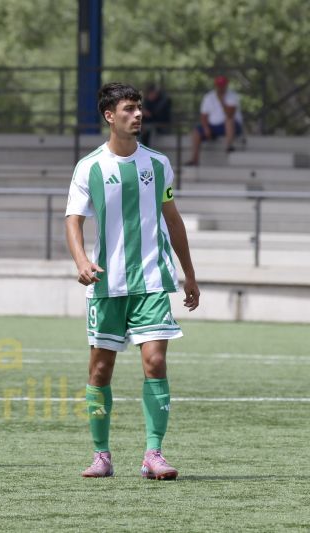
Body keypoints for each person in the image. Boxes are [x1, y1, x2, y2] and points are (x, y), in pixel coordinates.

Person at [65, 82, 200, 480]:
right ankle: (101, 455)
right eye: (128, 109)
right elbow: (73, 219)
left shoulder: (157, 163)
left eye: (139, 108)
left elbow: (172, 220)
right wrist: (81, 260)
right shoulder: (89, 166)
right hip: (107, 284)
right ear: (110, 115)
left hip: (153, 280)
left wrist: (189, 273)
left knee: (155, 362)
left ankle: (153, 453)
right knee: (100, 371)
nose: (137, 114)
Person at [186, 75, 243, 165]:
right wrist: (206, 128)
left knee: (229, 121)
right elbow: (204, 115)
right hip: (214, 126)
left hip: (231, 126)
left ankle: (229, 146)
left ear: (226, 85)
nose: (220, 88)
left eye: (222, 85)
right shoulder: (208, 97)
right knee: (196, 131)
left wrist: (222, 101)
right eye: (219, 85)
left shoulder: (232, 96)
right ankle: (194, 159)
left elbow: (230, 114)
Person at [140, 83, 171, 148]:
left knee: (147, 132)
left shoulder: (163, 101)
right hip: (148, 124)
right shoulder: (147, 101)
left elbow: (155, 114)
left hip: (160, 124)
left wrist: (147, 113)